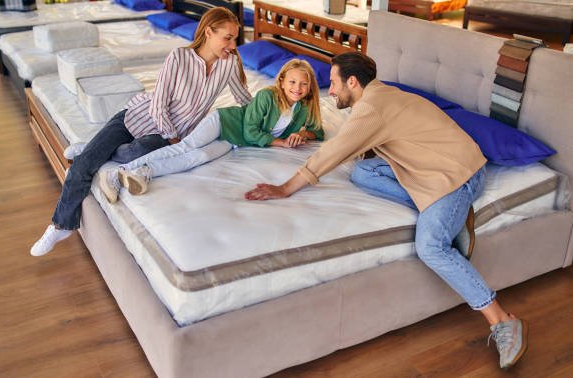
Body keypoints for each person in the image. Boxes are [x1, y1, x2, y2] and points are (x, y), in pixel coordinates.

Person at [245, 52, 528, 369]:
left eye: (335, 84)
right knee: (362, 172)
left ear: (353, 81)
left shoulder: (373, 106)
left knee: (431, 245)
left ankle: (502, 320)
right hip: (428, 167)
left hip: (457, 174)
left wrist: (285, 188)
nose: (332, 91)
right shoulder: (381, 94)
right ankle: (450, 215)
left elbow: (333, 152)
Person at [30, 7, 252, 256]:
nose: (233, 45)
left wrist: (271, 119)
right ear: (209, 32)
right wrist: (172, 137)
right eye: (228, 38)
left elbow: (245, 99)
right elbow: (159, 103)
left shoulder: (229, 64)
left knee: (138, 151)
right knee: (83, 163)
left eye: (235, 38)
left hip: (161, 137)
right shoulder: (179, 57)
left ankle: (97, 147)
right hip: (138, 116)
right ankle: (60, 225)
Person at [99, 58, 324, 201]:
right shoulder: (267, 96)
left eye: (303, 84)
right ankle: (117, 172)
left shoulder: (303, 108)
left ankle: (144, 172)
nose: (298, 88)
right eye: (293, 82)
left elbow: (318, 131)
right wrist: (282, 142)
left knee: (197, 158)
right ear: (282, 81)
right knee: (186, 146)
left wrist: (302, 134)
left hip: (234, 141)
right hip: (225, 122)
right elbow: (251, 132)